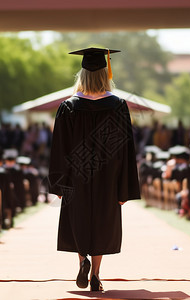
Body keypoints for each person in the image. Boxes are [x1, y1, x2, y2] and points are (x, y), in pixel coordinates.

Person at [48, 47, 140, 292]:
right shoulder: (118, 106)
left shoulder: (67, 107)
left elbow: (60, 148)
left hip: (76, 177)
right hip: (108, 178)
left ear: (83, 75)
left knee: (78, 220)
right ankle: (96, 274)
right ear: (104, 75)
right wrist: (124, 188)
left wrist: (59, 183)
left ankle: (82, 262)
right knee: (102, 223)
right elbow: (126, 150)